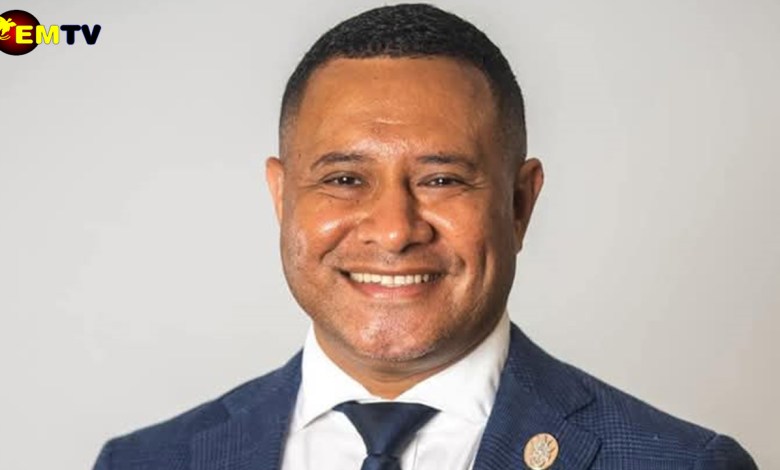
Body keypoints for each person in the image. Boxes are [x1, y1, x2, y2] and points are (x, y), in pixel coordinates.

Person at [92, 4, 757, 470]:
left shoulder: (682, 464)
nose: (394, 231)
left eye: (442, 180)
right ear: (282, 197)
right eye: (345, 179)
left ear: (519, 203)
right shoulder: (144, 462)